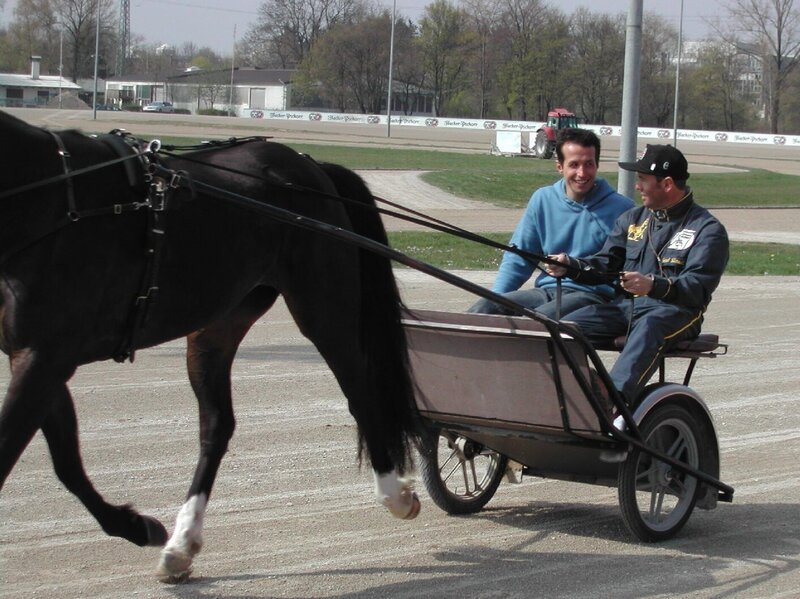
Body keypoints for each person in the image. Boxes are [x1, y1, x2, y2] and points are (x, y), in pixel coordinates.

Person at [546, 144, 729, 405]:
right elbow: (605, 264)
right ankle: (575, 395)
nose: (637, 187)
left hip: (676, 313)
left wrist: (653, 286)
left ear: (666, 184)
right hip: (625, 308)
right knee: (563, 329)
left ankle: (612, 402)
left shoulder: (707, 230)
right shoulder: (633, 219)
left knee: (650, 326)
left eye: (643, 180)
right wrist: (570, 265)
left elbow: (697, 288)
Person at [468, 128, 634, 319]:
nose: (582, 173)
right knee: (483, 310)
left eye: (589, 164)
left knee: (538, 320)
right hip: (546, 291)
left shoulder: (623, 209)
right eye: (574, 164)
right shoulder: (542, 199)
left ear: (597, 165)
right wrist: (496, 298)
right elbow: (519, 257)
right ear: (559, 166)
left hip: (592, 296)